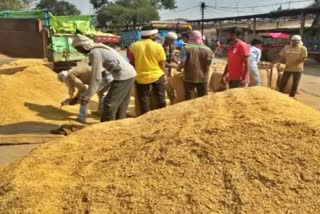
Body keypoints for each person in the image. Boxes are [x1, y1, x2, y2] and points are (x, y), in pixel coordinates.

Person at [72, 34, 136, 123]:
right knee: (121, 103)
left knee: (109, 104)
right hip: (129, 73)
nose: (79, 51)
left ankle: (106, 127)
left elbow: (96, 77)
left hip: (123, 76)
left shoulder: (94, 53)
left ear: (84, 46)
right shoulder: (99, 48)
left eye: (78, 48)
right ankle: (119, 125)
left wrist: (88, 95)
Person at [128, 26, 167, 114]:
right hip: (157, 75)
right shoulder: (158, 46)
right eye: (156, 34)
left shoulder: (133, 46)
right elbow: (162, 63)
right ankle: (163, 113)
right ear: (151, 35)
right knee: (160, 96)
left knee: (143, 97)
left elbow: (131, 61)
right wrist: (164, 75)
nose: (157, 35)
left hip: (140, 76)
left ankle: (145, 115)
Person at [177, 30, 214, 100]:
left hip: (189, 78)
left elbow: (182, 63)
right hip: (203, 78)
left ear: (190, 37)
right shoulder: (209, 50)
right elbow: (209, 63)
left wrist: (178, 69)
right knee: (203, 98)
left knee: (189, 98)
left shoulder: (186, 48)